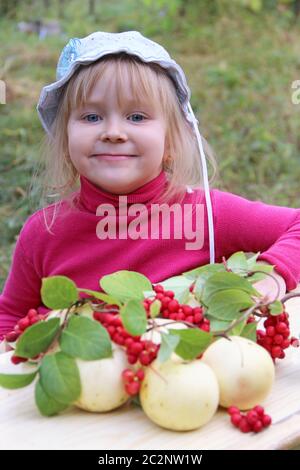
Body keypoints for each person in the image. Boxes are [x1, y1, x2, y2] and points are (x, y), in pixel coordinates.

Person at [0, 30, 299, 341]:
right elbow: (9, 316)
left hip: (182, 383)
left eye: (137, 116)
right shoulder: (44, 233)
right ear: (64, 141)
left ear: (170, 141)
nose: (113, 132)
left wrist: (273, 274)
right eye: (91, 117)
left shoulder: (206, 215)